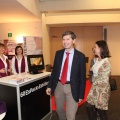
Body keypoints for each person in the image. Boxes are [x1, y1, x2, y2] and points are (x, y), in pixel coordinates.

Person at [46, 31, 86, 120]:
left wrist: (81, 95)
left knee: (71, 116)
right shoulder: (58, 54)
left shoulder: (80, 56)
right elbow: (55, 71)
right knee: (59, 110)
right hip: (58, 86)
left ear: (74, 40)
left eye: (68, 39)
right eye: (63, 39)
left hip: (73, 88)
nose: (65, 42)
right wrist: (49, 86)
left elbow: (82, 78)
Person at [86, 40, 111, 120]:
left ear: (100, 49)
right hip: (95, 86)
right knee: (88, 106)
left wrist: (100, 96)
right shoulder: (97, 60)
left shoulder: (106, 62)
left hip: (102, 89)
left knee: (101, 111)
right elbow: (93, 69)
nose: (94, 48)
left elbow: (104, 81)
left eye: (95, 47)